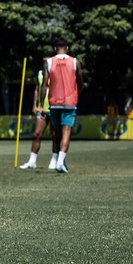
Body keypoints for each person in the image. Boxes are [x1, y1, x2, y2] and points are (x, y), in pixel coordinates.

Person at [38, 37, 84, 174]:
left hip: (54, 103)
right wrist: (76, 93)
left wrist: (41, 105)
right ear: (67, 48)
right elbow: (81, 82)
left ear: (54, 48)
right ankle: (60, 161)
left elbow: (44, 85)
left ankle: (60, 160)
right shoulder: (75, 62)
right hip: (69, 102)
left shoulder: (48, 62)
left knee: (57, 133)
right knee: (66, 131)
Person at [19, 68, 61, 170]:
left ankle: (54, 160)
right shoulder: (40, 73)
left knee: (55, 136)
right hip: (42, 109)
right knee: (36, 134)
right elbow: (37, 89)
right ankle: (32, 161)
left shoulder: (58, 71)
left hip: (55, 107)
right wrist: (35, 104)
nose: (45, 61)